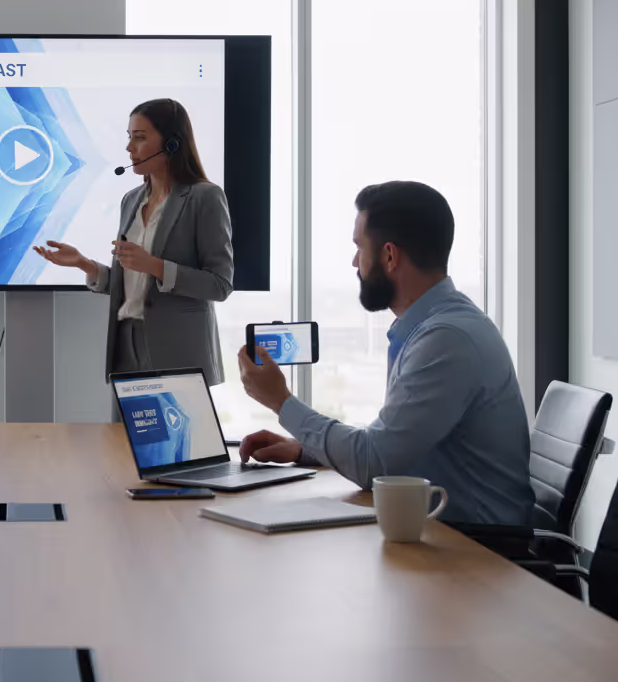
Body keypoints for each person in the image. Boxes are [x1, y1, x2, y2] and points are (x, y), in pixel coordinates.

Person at [235, 181, 534, 526]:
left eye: (359, 247)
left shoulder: (447, 340)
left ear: (390, 256)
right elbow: (393, 440)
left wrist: (281, 401)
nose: (354, 262)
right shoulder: (438, 325)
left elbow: (375, 461)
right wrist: (305, 450)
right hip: (441, 531)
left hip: (479, 553)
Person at [33, 99, 234, 419]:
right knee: (123, 449)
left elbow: (220, 285)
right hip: (126, 345)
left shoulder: (204, 197)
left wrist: (154, 265)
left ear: (171, 142)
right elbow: (131, 283)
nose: (129, 148)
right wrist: (85, 264)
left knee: (180, 454)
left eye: (139, 137)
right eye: (129, 137)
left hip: (178, 352)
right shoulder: (131, 200)